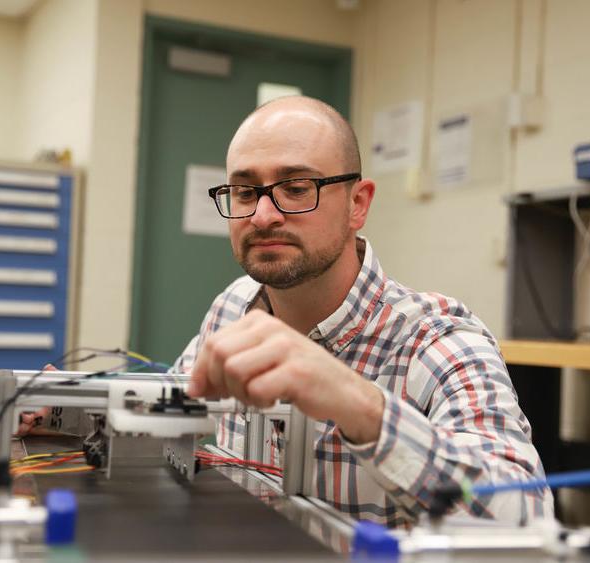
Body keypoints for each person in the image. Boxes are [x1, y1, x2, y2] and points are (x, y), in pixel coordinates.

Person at [175, 96, 553, 527]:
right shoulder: (233, 307)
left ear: (358, 204)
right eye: (245, 192)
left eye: (296, 189)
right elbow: (167, 412)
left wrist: (360, 406)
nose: (263, 216)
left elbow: (526, 520)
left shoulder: (439, 340)